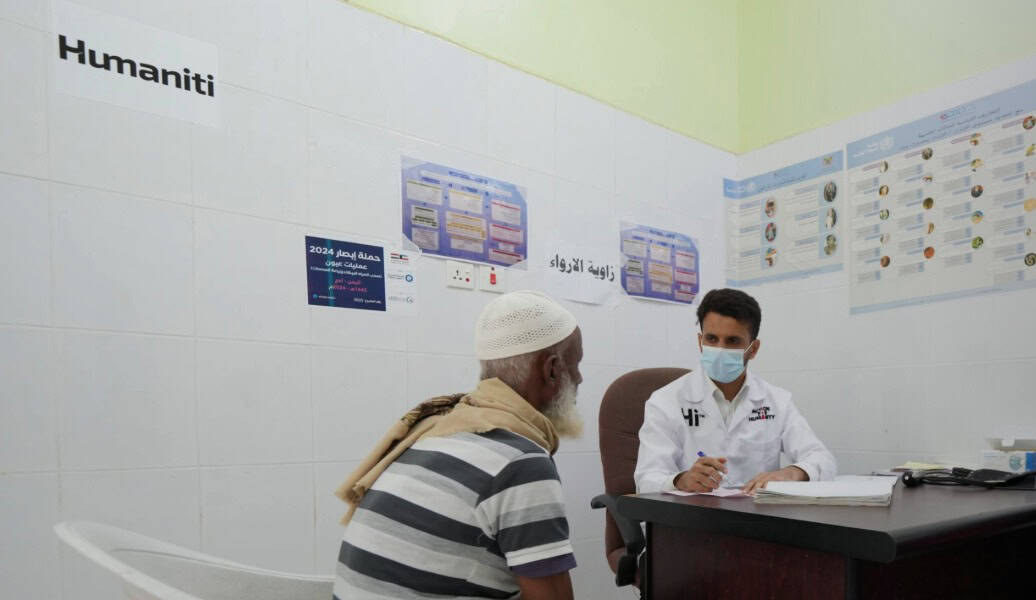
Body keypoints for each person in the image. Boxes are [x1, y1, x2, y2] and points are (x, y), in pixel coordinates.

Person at [332, 291, 584, 600]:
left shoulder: (434, 431)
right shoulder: (520, 463)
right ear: (552, 370)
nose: (580, 378)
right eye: (576, 365)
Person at [635, 288, 835, 495]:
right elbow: (646, 479)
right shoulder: (665, 401)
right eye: (712, 339)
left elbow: (822, 458)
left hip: (756, 512)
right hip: (692, 511)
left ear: (753, 349)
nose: (720, 349)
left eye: (732, 341)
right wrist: (680, 480)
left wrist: (792, 473)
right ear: (700, 342)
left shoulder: (777, 401)